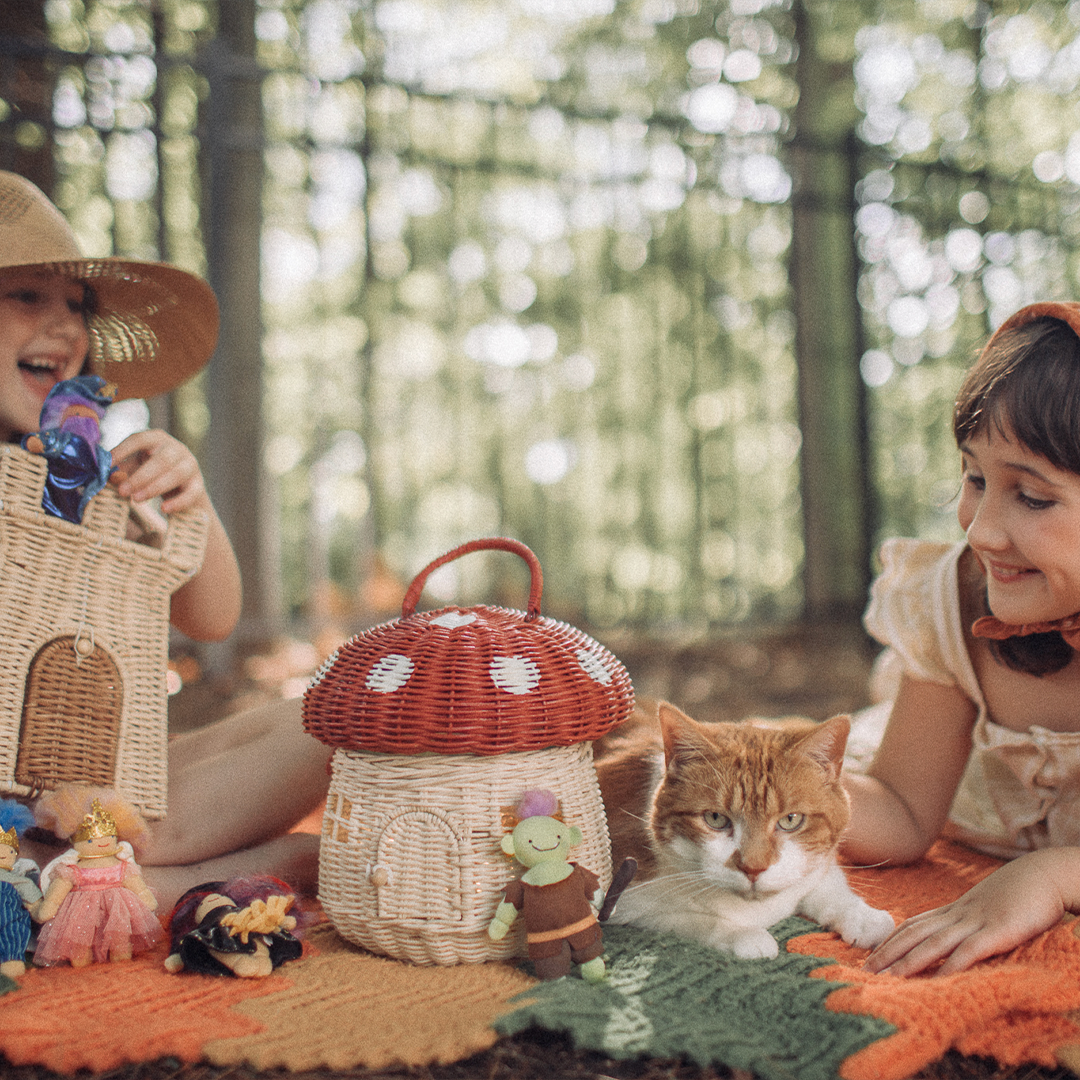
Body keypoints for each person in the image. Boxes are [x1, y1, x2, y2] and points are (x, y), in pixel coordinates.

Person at [0, 170, 331, 908]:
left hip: (104, 791)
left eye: (77, 306)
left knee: (334, 719)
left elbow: (211, 616)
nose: (66, 328)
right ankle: (156, 884)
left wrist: (190, 500)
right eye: (26, 295)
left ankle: (108, 875)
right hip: (11, 818)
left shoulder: (82, 474)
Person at [842, 300, 1080, 977]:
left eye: (1031, 496)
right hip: (956, 802)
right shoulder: (954, 596)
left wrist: (1054, 877)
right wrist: (764, 777)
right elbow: (903, 811)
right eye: (975, 478)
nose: (978, 529)